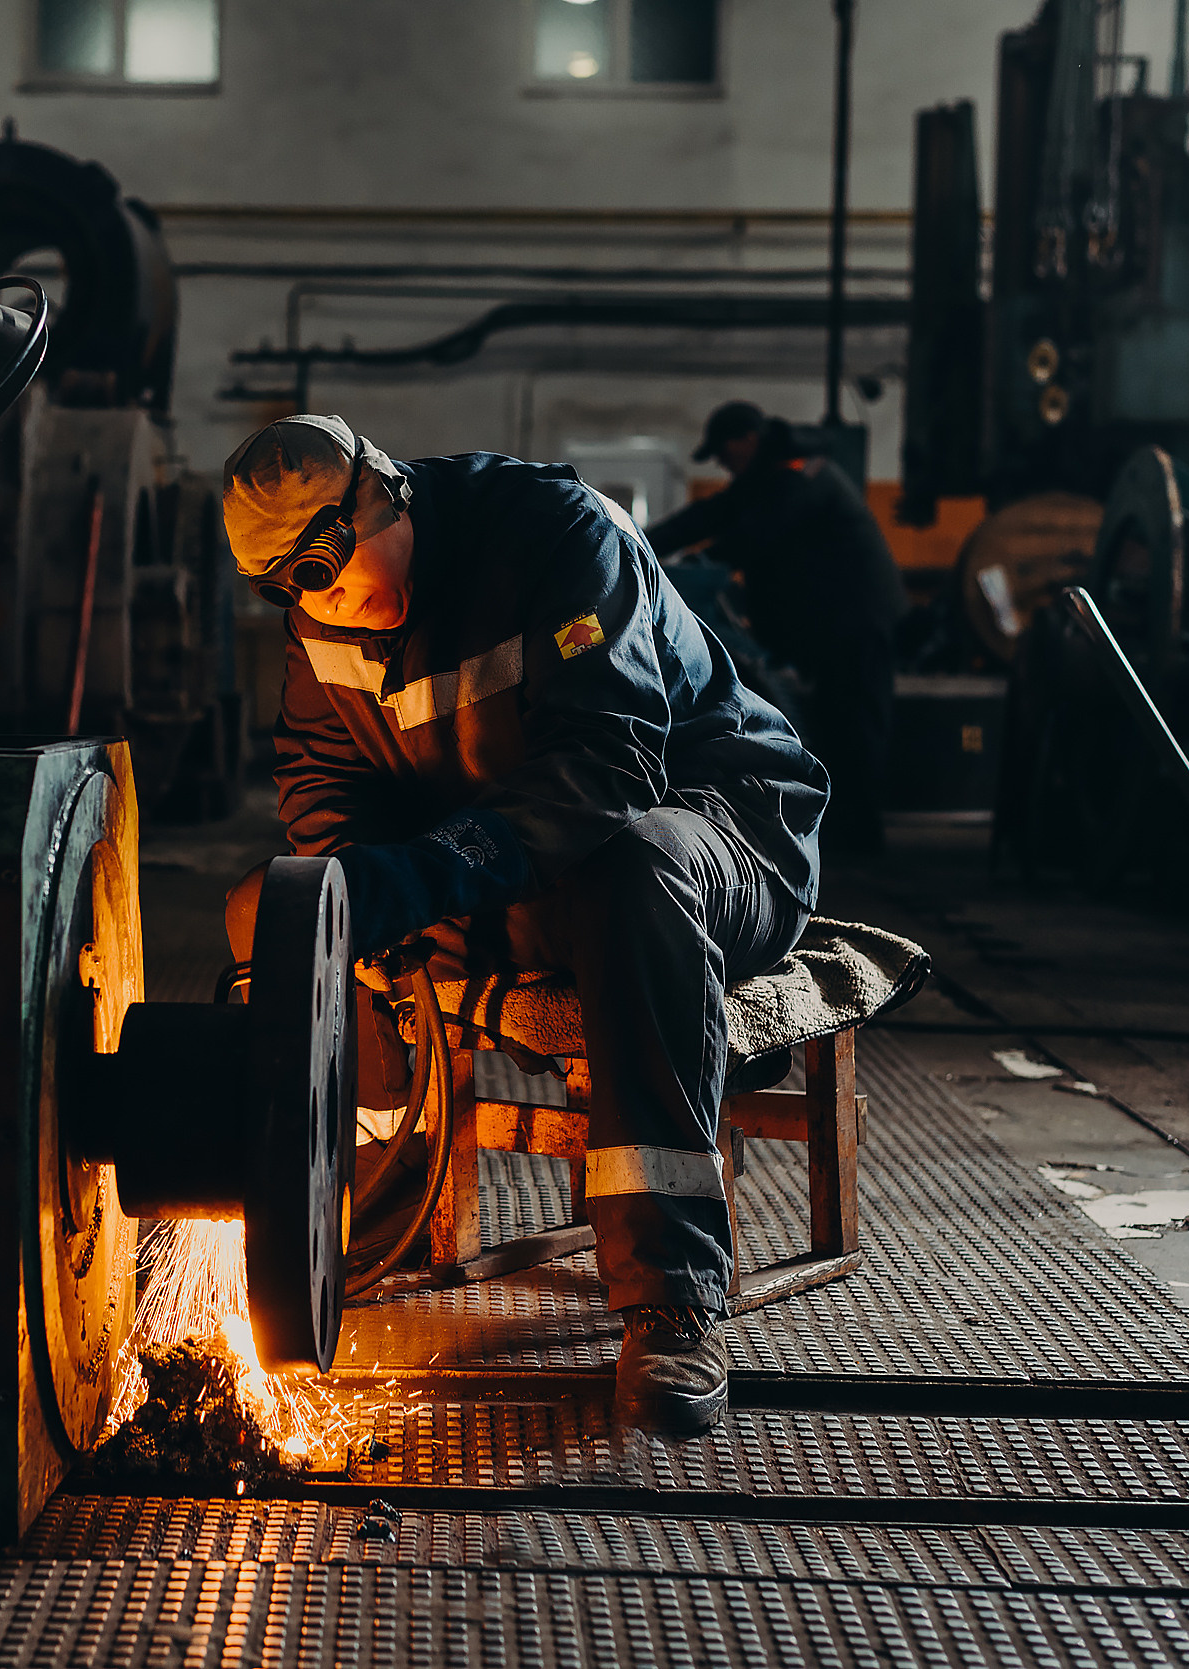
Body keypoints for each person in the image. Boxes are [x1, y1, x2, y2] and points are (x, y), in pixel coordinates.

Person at [220, 414, 829, 1436]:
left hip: (712, 829)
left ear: (383, 495)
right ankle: (362, 1210)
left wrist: (420, 875)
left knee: (631, 874)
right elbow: (326, 783)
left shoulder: (552, 536)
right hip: (511, 867)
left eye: (327, 566)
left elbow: (606, 771)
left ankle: (672, 1295)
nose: (324, 602)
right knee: (280, 904)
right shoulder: (321, 620)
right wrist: (347, 891)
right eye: (291, 589)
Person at [644, 402, 905, 856]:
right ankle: (844, 838)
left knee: (856, 726)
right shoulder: (768, 477)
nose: (723, 464)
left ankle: (865, 845)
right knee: (836, 723)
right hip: (834, 625)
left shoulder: (798, 473)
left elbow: (754, 533)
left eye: (724, 452)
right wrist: (636, 539)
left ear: (747, 438)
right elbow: (709, 515)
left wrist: (702, 562)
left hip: (858, 619)